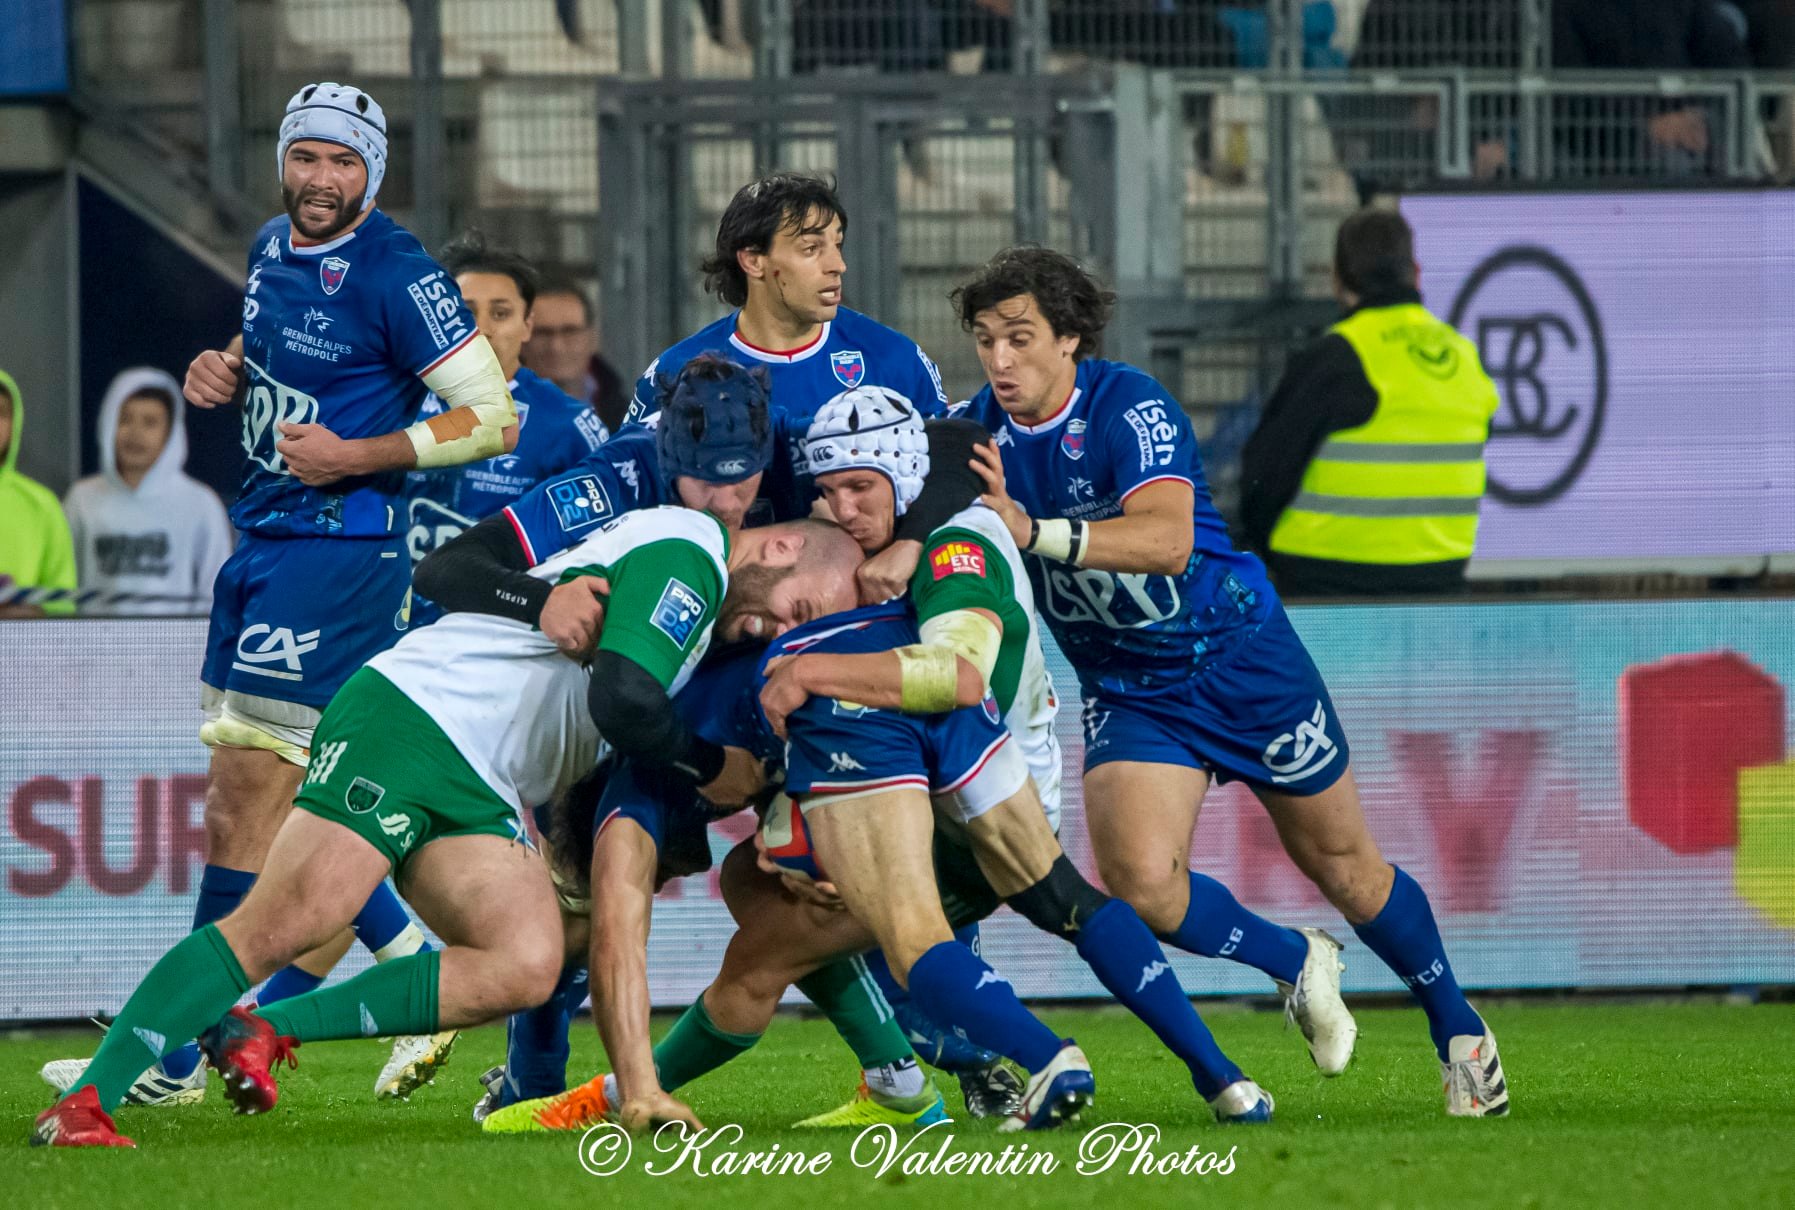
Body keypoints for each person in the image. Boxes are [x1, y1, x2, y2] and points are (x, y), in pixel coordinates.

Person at [30, 499, 865, 1148]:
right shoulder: (692, 554)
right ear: (782, 547)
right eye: (801, 609)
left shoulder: (703, 601)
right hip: (417, 717)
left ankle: (262, 1027)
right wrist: (709, 767)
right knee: (289, 922)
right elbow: (621, 699)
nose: (788, 632)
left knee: (525, 962)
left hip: (483, 778)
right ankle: (84, 1104)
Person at [41, 81, 521, 1108]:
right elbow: (281, 353)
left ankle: (169, 1056)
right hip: (262, 539)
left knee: (244, 803)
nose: (320, 179)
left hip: (336, 553)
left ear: (372, 175)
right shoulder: (269, 246)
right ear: (284, 161)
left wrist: (360, 451)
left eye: (343, 163)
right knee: (258, 816)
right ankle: (190, 1047)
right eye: (307, 156)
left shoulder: (398, 271)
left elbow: (492, 417)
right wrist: (225, 367)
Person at [954, 245, 1508, 1117]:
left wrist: (1036, 533)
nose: (999, 359)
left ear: (1069, 339)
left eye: (1019, 337)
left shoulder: (1127, 406)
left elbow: (1168, 541)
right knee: (1141, 887)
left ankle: (1459, 1033)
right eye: (985, 339)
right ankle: (1293, 960)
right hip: (1132, 688)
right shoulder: (971, 436)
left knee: (1346, 868)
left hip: (1239, 656)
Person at [624, 171, 952, 531]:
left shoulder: (893, 360)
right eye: (811, 249)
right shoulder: (679, 373)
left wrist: (908, 544)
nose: (837, 265)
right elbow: (633, 491)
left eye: (837, 245)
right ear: (753, 260)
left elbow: (947, 474)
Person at [1240, 209, 1500, 598]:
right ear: (1415, 271)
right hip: (1440, 580)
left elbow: (1262, 480)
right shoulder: (1465, 358)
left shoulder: (1335, 357)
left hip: (1323, 586)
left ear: (1337, 280)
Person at [406, 234, 607, 626]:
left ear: (527, 325)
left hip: (500, 638)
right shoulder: (397, 402)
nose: (481, 330)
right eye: (464, 312)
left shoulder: (570, 424)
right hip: (391, 634)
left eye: (500, 314)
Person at [61, 368, 234, 617]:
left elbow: (217, 592)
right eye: (125, 419)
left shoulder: (200, 503)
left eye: (150, 422)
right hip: (93, 650)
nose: (136, 433)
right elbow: (63, 586)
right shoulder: (81, 499)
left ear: (171, 432)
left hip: (178, 651)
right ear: (108, 424)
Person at [0, 368, 77, 618]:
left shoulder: (42, 504)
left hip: (23, 653)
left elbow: (63, 603)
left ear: (14, 423)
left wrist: (23, 613)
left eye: (0, 412)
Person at [521, 276, 629, 434]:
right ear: (522, 340)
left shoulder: (630, 421)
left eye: (570, 331)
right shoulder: (494, 421)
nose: (556, 347)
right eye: (543, 333)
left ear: (592, 337)